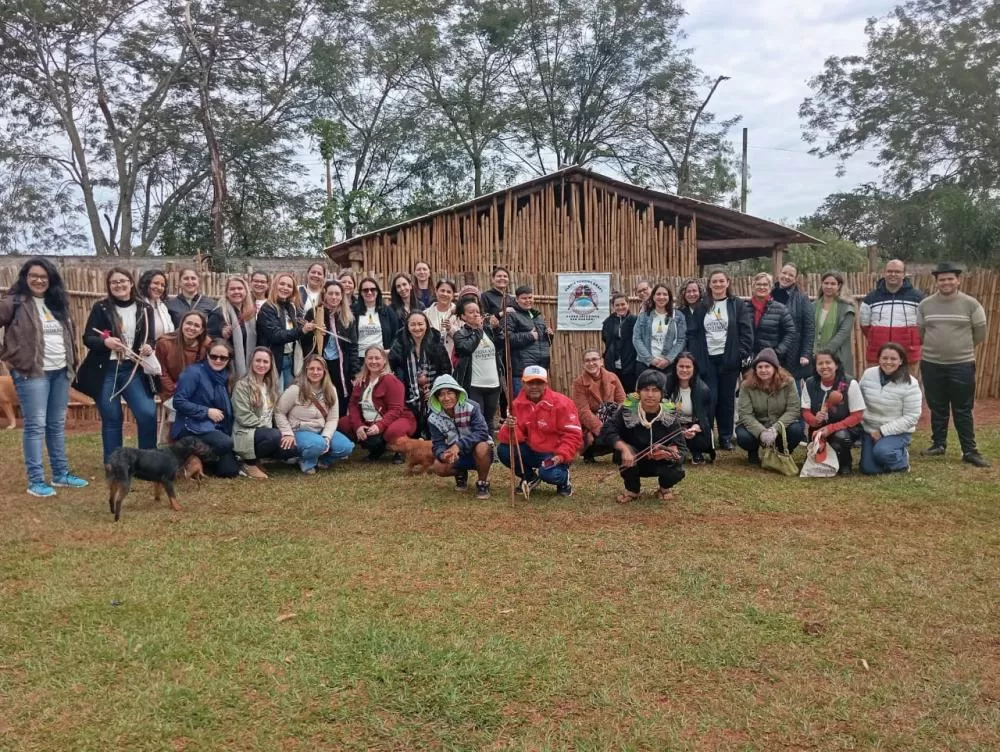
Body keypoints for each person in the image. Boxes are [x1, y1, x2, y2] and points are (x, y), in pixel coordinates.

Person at [0, 258, 88, 497]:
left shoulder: (57, 303)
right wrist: (9, 354)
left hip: (61, 371)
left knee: (56, 424)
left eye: (43, 277)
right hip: (32, 373)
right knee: (35, 425)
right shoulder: (14, 302)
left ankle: (60, 474)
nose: (39, 280)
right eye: (34, 276)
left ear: (51, 280)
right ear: (25, 278)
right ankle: (36, 480)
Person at [76, 268, 158, 465]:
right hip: (106, 370)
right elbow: (88, 338)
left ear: (131, 283)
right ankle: (115, 465)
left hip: (132, 369)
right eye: (114, 282)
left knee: (147, 413)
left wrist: (149, 347)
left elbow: (151, 339)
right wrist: (105, 342)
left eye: (123, 281)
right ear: (109, 286)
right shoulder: (101, 308)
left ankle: (148, 463)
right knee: (112, 417)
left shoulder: (145, 308)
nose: (119, 285)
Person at [917, 262, 989, 467]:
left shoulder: (971, 304)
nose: (946, 282)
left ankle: (969, 450)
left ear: (958, 280)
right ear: (936, 282)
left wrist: (959, 348)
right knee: (937, 406)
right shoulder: (925, 305)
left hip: (961, 365)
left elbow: (980, 333)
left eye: (950, 279)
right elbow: (921, 332)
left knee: (963, 408)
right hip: (931, 363)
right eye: (942, 279)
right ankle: (938, 445)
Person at [604, 369, 687, 503]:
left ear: (662, 393)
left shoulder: (670, 414)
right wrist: (624, 449)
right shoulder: (627, 409)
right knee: (621, 452)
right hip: (633, 461)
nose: (650, 395)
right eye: (645, 389)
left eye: (655, 390)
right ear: (638, 392)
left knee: (677, 469)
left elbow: (682, 449)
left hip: (660, 463)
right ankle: (632, 490)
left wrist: (670, 454)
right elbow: (608, 429)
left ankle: (664, 488)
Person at [497, 366, 582, 497]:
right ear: (523, 383)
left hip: (554, 454)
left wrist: (561, 455)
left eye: (539, 383)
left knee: (548, 473)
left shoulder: (563, 403)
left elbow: (573, 435)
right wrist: (510, 427)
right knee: (503, 450)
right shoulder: (515, 405)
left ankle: (564, 480)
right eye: (530, 383)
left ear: (546, 384)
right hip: (531, 451)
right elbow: (514, 439)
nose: (534, 387)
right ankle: (529, 477)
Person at [694, 269, 754, 450]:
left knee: (727, 400)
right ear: (709, 284)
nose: (718, 284)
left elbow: (746, 332)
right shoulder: (702, 306)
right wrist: (697, 357)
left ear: (728, 283)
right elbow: (695, 333)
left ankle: (726, 436)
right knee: (710, 397)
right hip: (707, 359)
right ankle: (708, 436)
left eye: (721, 281)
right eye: (714, 281)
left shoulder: (737, 305)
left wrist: (739, 354)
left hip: (729, 359)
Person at [275, 355, 355, 474]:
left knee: (346, 447)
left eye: (319, 369)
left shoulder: (331, 389)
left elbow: (333, 418)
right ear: (305, 370)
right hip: (299, 430)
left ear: (324, 371)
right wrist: (287, 433)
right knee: (318, 444)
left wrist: (327, 436)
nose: (315, 372)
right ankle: (305, 460)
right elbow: (279, 412)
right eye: (311, 369)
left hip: (320, 430)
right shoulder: (295, 389)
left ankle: (322, 460)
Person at [170, 339, 239, 477]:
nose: (218, 360)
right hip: (191, 426)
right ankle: (186, 457)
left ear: (229, 359)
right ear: (207, 355)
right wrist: (206, 411)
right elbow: (178, 401)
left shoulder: (227, 377)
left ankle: (196, 458)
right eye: (214, 356)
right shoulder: (193, 372)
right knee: (225, 443)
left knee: (229, 471)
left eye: (223, 358)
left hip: (215, 428)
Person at [231, 347, 298, 479]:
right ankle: (248, 464)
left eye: (265, 362)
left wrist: (286, 432)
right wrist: (270, 431)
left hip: (265, 433)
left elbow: (276, 413)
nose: (261, 365)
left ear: (270, 365)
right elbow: (243, 416)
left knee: (291, 449)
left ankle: (256, 459)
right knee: (273, 436)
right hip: (246, 432)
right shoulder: (242, 386)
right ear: (251, 362)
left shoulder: (270, 386)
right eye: (258, 361)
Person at [341, 346, 417, 460]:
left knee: (393, 431)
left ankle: (400, 450)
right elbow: (353, 405)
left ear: (384, 360)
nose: (373, 361)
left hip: (396, 419)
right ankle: (378, 448)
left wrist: (379, 426)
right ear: (365, 360)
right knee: (343, 423)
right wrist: (358, 426)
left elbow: (396, 410)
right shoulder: (361, 379)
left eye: (377, 358)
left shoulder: (390, 380)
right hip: (369, 421)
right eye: (370, 358)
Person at [858, 343, 922, 475]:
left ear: (901, 361)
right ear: (879, 359)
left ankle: (902, 461)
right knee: (869, 469)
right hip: (870, 430)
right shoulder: (868, 374)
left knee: (882, 452)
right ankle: (882, 455)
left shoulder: (910, 384)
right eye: (884, 358)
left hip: (897, 432)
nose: (888, 362)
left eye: (893, 359)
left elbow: (912, 417)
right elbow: (859, 400)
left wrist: (882, 432)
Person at [427, 375, 493, 499]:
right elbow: (437, 443)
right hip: (456, 455)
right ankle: (461, 473)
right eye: (441, 394)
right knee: (438, 466)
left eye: (450, 393)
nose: (446, 398)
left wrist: (459, 445)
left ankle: (482, 482)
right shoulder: (433, 418)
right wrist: (443, 455)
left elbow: (482, 432)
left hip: (478, 452)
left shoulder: (472, 407)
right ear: (436, 398)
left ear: (457, 393)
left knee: (482, 447)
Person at [735, 348, 806, 465]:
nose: (763, 370)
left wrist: (775, 429)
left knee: (796, 430)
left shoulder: (789, 382)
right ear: (755, 369)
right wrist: (761, 432)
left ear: (775, 368)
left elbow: (793, 410)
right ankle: (753, 451)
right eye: (760, 367)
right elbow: (745, 414)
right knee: (743, 435)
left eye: (767, 366)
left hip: (780, 424)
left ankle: (782, 451)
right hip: (757, 424)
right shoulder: (746, 385)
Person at [389, 311, 453, 438]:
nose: (417, 328)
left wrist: (435, 390)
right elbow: (393, 368)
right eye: (412, 324)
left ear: (426, 325)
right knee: (411, 431)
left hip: (433, 396)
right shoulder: (399, 344)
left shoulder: (436, 343)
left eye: (420, 324)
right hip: (409, 396)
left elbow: (446, 370)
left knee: (434, 432)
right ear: (407, 327)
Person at [801, 350, 866, 475]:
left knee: (841, 437)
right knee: (816, 460)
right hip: (818, 429)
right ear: (815, 367)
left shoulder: (849, 383)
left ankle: (845, 461)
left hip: (844, 429)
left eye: (828, 362)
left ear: (836, 365)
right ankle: (823, 456)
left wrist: (830, 428)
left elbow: (857, 416)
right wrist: (814, 420)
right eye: (820, 363)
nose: (824, 366)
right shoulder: (809, 383)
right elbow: (805, 411)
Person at [304, 280, 358, 417]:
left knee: (340, 396)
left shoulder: (348, 316)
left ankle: (339, 424)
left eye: (337, 294)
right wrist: (312, 331)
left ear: (342, 296)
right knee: (321, 395)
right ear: (325, 294)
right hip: (321, 363)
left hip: (341, 364)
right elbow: (304, 342)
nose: (334, 297)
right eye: (331, 293)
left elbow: (353, 346)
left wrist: (354, 371)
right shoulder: (314, 313)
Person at [155, 310, 210, 443]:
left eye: (196, 325)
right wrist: (176, 392)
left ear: (202, 330)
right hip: (171, 391)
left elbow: (207, 373)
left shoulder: (207, 346)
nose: (191, 328)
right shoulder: (165, 343)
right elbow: (161, 371)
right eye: (188, 323)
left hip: (196, 392)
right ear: (181, 324)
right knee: (177, 416)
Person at [859, 259, 923, 371]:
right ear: (884, 273)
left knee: (907, 382)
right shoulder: (870, 298)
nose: (893, 274)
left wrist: (913, 340)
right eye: (889, 271)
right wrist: (876, 336)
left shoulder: (917, 297)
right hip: (877, 354)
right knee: (875, 382)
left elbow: (923, 325)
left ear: (904, 274)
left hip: (908, 353)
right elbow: (864, 325)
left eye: (897, 272)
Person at [257, 272, 313, 389]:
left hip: (289, 359)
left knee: (289, 394)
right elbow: (276, 335)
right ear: (275, 285)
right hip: (275, 360)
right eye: (282, 284)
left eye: (289, 286)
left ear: (293, 290)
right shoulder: (268, 308)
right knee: (277, 396)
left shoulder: (290, 307)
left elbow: (296, 331)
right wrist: (301, 330)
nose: (285, 288)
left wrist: (312, 328)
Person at [452, 300, 503, 427]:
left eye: (477, 312)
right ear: (463, 316)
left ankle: (490, 441)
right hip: (474, 385)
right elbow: (466, 348)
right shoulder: (460, 335)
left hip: (493, 384)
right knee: (477, 421)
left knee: (490, 421)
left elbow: (501, 344)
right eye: (471, 312)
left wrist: (497, 329)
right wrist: (478, 331)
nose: (476, 314)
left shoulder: (488, 331)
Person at [571, 349, 626, 463]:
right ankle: (589, 453)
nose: (591, 363)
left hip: (612, 419)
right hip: (590, 424)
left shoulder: (613, 377)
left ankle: (618, 452)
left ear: (601, 361)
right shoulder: (578, 383)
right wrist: (603, 429)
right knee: (591, 436)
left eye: (594, 359)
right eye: (587, 360)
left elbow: (622, 401)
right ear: (583, 364)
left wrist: (617, 424)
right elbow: (583, 411)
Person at [663, 352, 715, 464]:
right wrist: (678, 429)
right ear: (675, 367)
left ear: (694, 369)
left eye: (688, 367)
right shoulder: (665, 383)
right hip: (670, 425)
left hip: (691, 426)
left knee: (700, 439)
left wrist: (695, 427)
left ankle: (696, 452)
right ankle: (672, 450)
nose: (684, 370)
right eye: (681, 366)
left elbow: (706, 417)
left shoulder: (703, 389)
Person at [502, 285, 552, 395]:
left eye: (530, 297)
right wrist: (529, 336)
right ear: (517, 299)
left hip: (541, 368)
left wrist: (548, 335)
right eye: (524, 298)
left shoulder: (536, 316)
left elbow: (542, 342)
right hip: (522, 371)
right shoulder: (511, 315)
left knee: (541, 402)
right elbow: (506, 339)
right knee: (523, 402)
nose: (528, 300)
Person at [772, 263, 815, 380]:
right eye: (784, 273)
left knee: (792, 385)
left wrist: (805, 353)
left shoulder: (802, 298)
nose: (786, 277)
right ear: (779, 274)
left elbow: (809, 328)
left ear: (795, 279)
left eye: (791, 275)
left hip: (793, 351)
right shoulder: (769, 294)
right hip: (773, 348)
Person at [207, 277, 257, 377]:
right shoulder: (219, 313)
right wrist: (222, 336)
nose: (236, 291)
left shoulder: (249, 314)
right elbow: (209, 341)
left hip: (247, 363)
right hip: (227, 367)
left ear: (246, 291)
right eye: (232, 289)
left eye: (240, 288)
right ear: (226, 292)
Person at [633, 282, 686, 375]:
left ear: (669, 297)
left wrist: (668, 359)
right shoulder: (643, 316)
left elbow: (681, 340)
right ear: (653, 297)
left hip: (669, 366)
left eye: (665, 294)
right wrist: (651, 359)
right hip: (645, 365)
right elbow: (637, 339)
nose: (661, 297)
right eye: (658, 294)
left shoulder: (678, 316)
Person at [814, 271, 857, 378]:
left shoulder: (847, 308)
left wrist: (825, 353)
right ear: (821, 284)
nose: (829, 286)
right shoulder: (812, 307)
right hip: (815, 357)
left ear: (839, 286)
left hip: (838, 356)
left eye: (833, 284)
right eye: (826, 283)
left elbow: (843, 333)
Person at [749, 272, 796, 369]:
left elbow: (790, 331)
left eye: (765, 284)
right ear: (753, 287)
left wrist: (778, 351)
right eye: (758, 284)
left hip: (771, 359)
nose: (762, 287)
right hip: (749, 358)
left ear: (770, 288)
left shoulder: (780, 309)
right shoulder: (744, 308)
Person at [601, 293, 638, 393]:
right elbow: (605, 339)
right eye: (617, 305)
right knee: (614, 393)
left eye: (623, 304)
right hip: (612, 365)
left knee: (630, 394)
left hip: (631, 365)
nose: (620, 307)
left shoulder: (635, 320)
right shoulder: (608, 322)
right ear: (613, 306)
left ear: (628, 304)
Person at [353, 276, 399, 352]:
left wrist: (390, 351)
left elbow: (396, 335)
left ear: (377, 291)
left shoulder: (388, 311)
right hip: (359, 356)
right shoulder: (353, 312)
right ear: (361, 293)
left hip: (381, 356)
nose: (369, 292)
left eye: (373, 289)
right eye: (365, 290)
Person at [423, 279, 459, 360]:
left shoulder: (459, 313)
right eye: (442, 290)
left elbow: (464, 338)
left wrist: (451, 329)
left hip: (454, 358)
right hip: (431, 357)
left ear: (453, 295)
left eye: (449, 292)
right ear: (436, 291)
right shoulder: (425, 314)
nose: (445, 294)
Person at [137, 269, 175, 339]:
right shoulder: (138, 306)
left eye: (162, 285)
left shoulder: (163, 306)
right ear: (146, 283)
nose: (159, 287)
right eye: (156, 283)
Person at [480, 267, 515, 332]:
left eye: (505, 276)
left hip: (511, 334)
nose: (502, 278)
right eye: (499, 276)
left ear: (508, 280)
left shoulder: (511, 298)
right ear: (493, 280)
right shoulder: (485, 296)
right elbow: (482, 318)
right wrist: (501, 314)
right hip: (493, 334)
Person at [676, 278, 705, 358]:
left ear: (700, 292)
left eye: (694, 291)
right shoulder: (679, 313)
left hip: (706, 353)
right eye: (688, 291)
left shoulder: (707, 310)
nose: (692, 294)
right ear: (683, 294)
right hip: (687, 355)